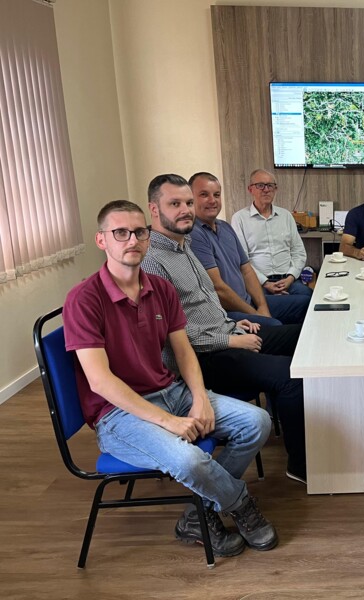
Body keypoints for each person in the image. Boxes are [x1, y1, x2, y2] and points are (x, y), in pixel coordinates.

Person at [63, 200, 277, 558]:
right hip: (117, 414)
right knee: (189, 460)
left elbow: (183, 351)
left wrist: (200, 398)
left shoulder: (161, 289)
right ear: (102, 240)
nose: (132, 240)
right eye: (120, 233)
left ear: (148, 237)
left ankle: (197, 514)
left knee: (257, 422)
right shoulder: (84, 299)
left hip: (170, 391)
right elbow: (99, 382)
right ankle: (240, 505)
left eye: (139, 232)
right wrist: (169, 422)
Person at [141, 174, 308, 484]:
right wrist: (229, 340)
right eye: (175, 204)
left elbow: (205, 301)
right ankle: (301, 465)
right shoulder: (152, 262)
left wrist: (233, 323)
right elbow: (171, 337)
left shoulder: (185, 245)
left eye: (187, 202)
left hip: (227, 333)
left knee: (304, 336)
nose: (186, 210)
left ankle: (300, 421)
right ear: (154, 209)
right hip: (203, 357)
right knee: (291, 375)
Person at [187, 172, 282, 328]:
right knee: (275, 327)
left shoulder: (225, 227)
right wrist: (255, 314)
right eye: (204, 195)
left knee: (304, 303)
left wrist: (262, 306)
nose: (212, 200)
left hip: (248, 301)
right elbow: (218, 289)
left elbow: (247, 270)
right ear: (190, 199)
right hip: (227, 312)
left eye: (216, 195)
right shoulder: (193, 234)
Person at [230, 169, 311, 324]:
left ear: (275, 189)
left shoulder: (286, 216)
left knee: (311, 298)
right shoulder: (239, 219)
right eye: (260, 185)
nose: (266, 189)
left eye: (270, 185)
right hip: (258, 284)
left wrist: (290, 277)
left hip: (288, 280)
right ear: (250, 189)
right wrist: (266, 283)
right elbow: (242, 260)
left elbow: (299, 252)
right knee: (294, 305)